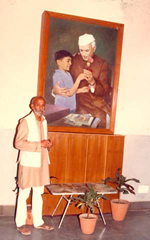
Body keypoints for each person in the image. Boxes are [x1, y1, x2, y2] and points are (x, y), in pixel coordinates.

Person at [14, 96, 54, 235]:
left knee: (38, 193)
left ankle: (38, 222)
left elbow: (43, 140)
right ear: (32, 106)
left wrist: (48, 143)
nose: (41, 107)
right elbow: (18, 143)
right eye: (38, 105)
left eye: (43, 105)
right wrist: (39, 144)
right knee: (24, 193)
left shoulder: (44, 121)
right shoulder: (25, 121)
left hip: (41, 162)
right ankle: (20, 224)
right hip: (29, 163)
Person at [53, 34, 110, 127]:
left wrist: (93, 82)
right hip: (76, 100)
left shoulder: (102, 63)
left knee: (104, 118)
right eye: (81, 50)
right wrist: (55, 90)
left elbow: (105, 90)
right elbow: (60, 78)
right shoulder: (72, 60)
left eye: (87, 50)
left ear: (94, 48)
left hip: (95, 101)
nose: (83, 54)